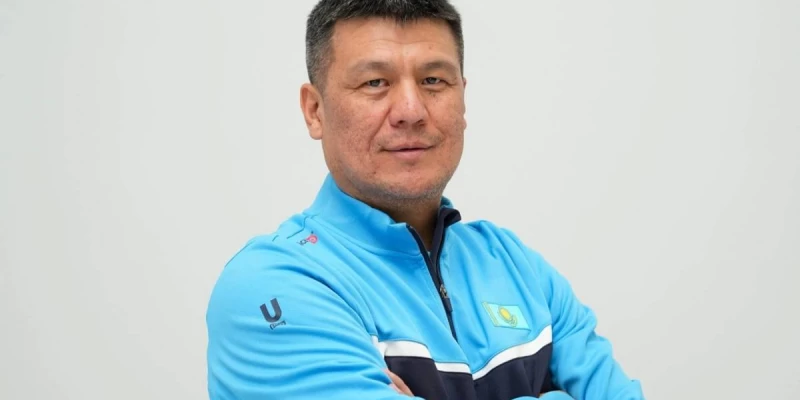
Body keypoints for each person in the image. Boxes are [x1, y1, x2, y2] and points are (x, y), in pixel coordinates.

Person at [205, 0, 646, 399]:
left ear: (463, 98)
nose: (411, 111)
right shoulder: (272, 286)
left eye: (433, 80)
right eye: (375, 82)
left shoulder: (520, 269)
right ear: (314, 110)